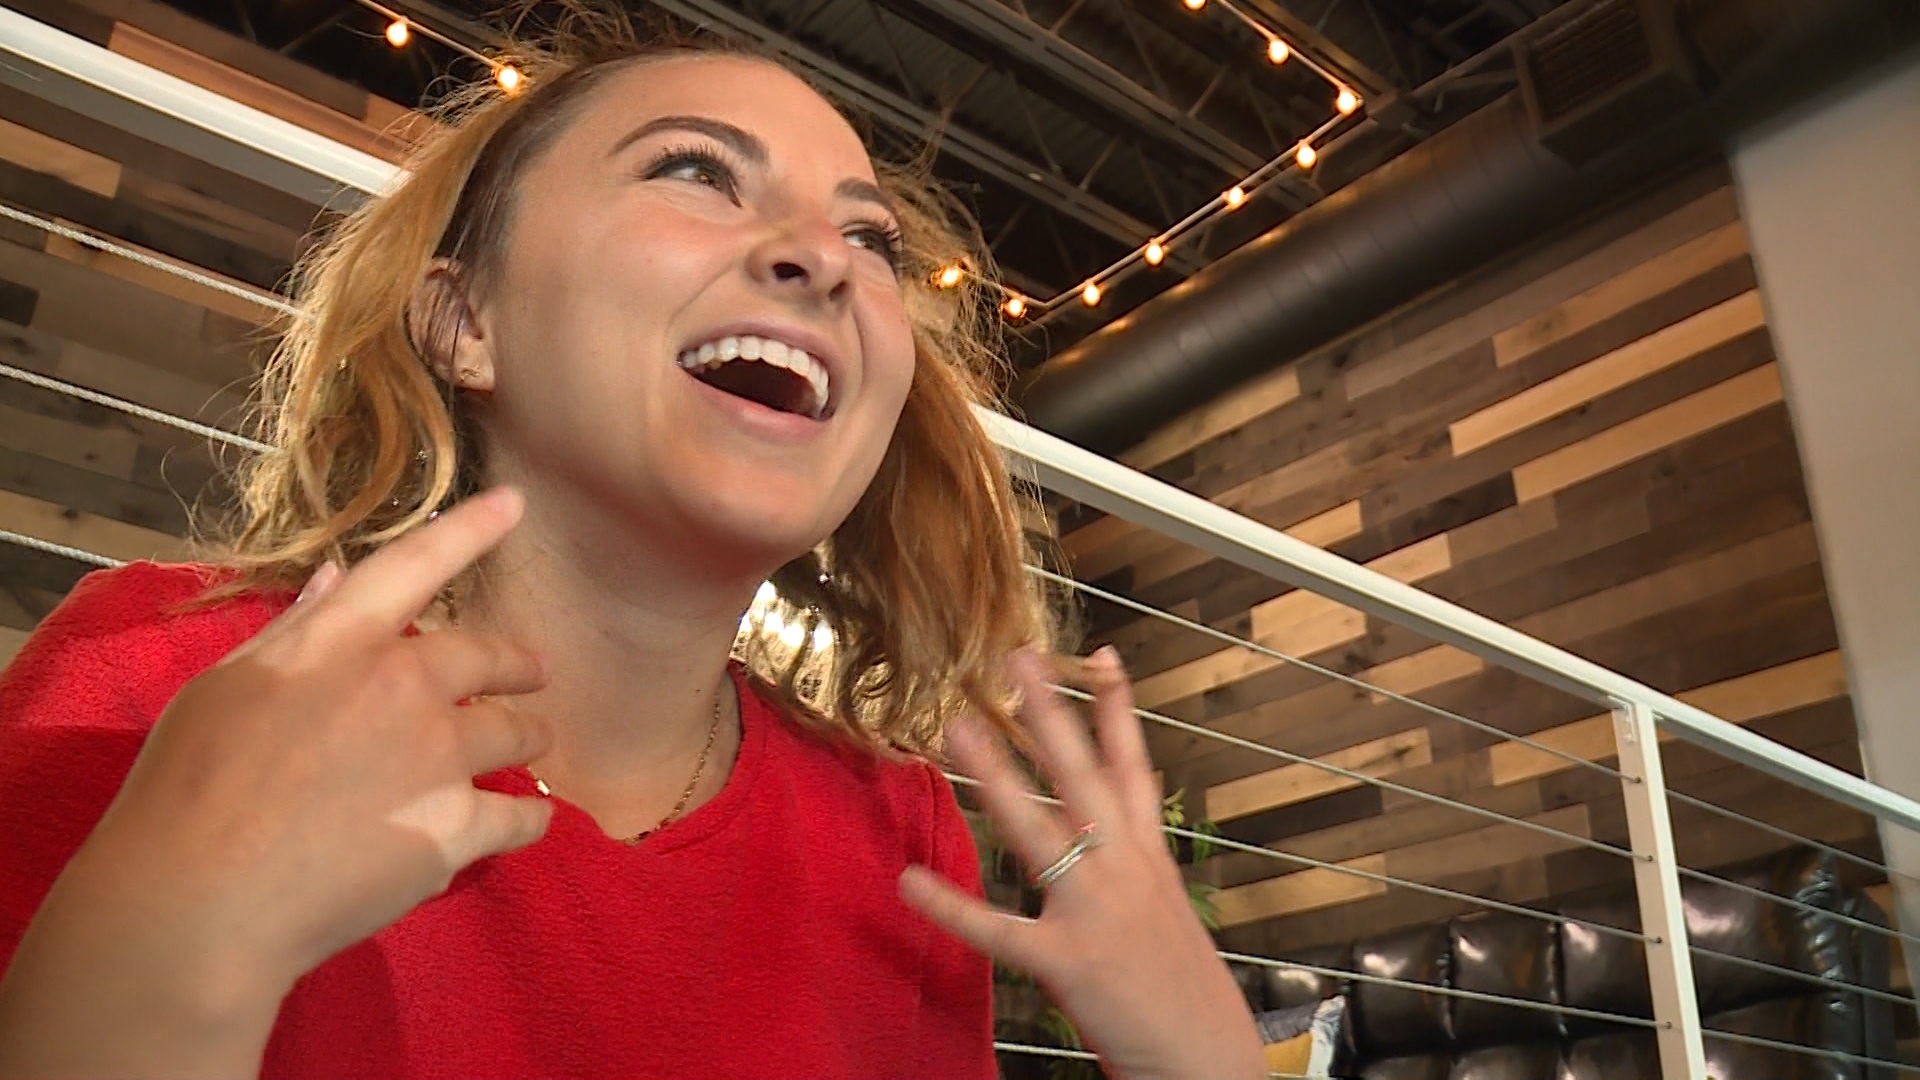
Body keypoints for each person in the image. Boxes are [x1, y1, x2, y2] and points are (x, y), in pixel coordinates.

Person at [0, 19, 1264, 1079]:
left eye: (871, 240)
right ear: (462, 321)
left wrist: (1202, 1059)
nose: (825, 258)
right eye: (697, 172)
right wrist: (161, 941)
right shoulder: (157, 682)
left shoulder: (903, 833)